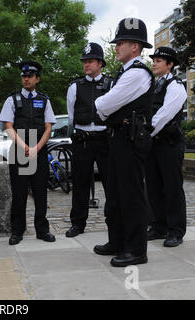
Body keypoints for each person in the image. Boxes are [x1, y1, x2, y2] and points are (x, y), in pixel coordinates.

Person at [93, 18, 155, 267]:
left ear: (135, 47)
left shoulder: (138, 73)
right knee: (116, 195)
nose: (116, 46)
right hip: (119, 137)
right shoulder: (126, 72)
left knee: (131, 196)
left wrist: (103, 106)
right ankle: (118, 241)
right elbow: (106, 107)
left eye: (121, 42)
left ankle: (136, 249)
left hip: (131, 138)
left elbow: (103, 105)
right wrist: (105, 108)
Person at [0, 61, 57, 245]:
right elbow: (8, 126)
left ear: (37, 79)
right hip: (19, 149)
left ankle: (42, 230)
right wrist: (24, 146)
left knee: (41, 192)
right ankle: (17, 231)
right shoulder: (12, 99)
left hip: (38, 150)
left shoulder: (44, 100)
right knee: (19, 193)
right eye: (24, 76)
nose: (26, 79)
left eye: (30, 76)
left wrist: (37, 148)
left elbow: (48, 127)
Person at [65, 43, 112, 238]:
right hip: (82, 140)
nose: (87, 65)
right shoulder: (75, 86)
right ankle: (78, 223)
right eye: (85, 61)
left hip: (105, 140)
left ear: (100, 63)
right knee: (80, 183)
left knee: (111, 183)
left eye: (90, 61)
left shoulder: (111, 84)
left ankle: (114, 221)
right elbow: (70, 116)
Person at [146, 47, 187, 247]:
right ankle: (159, 226)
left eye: (159, 60)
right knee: (153, 187)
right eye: (154, 60)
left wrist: (146, 132)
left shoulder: (175, 86)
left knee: (172, 187)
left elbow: (164, 115)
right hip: (154, 143)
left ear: (170, 64)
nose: (154, 63)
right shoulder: (153, 85)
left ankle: (176, 230)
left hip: (169, 143)